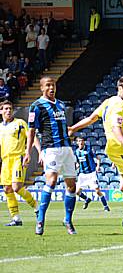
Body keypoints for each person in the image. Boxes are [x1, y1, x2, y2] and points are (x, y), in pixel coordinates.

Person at [69, 76, 123, 234]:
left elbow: (91, 119)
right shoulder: (120, 105)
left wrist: (73, 129)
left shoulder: (108, 102)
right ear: (119, 88)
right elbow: (116, 128)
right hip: (119, 147)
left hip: (111, 148)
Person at [26, 77, 78, 235]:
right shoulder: (36, 106)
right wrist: (29, 151)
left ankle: (67, 220)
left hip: (67, 149)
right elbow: (32, 131)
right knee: (52, 181)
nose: (51, 88)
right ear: (41, 88)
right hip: (51, 148)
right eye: (48, 85)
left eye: (53, 85)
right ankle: (40, 219)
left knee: (72, 186)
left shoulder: (61, 104)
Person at [0, 101, 39, 226]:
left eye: (10, 108)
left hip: (18, 158)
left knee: (16, 187)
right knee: (7, 188)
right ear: (1, 111)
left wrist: (39, 151)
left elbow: (31, 136)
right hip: (5, 160)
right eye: (5, 109)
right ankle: (16, 218)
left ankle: (37, 207)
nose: (8, 111)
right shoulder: (0, 127)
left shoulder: (20, 123)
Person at [73, 136, 110, 212]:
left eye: (82, 140)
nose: (81, 142)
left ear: (84, 142)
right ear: (77, 143)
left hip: (91, 174)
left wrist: (98, 166)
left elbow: (98, 158)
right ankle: (87, 199)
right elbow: (77, 163)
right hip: (82, 174)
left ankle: (106, 206)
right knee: (77, 192)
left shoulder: (89, 149)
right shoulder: (76, 152)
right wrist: (76, 167)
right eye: (79, 141)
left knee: (97, 191)